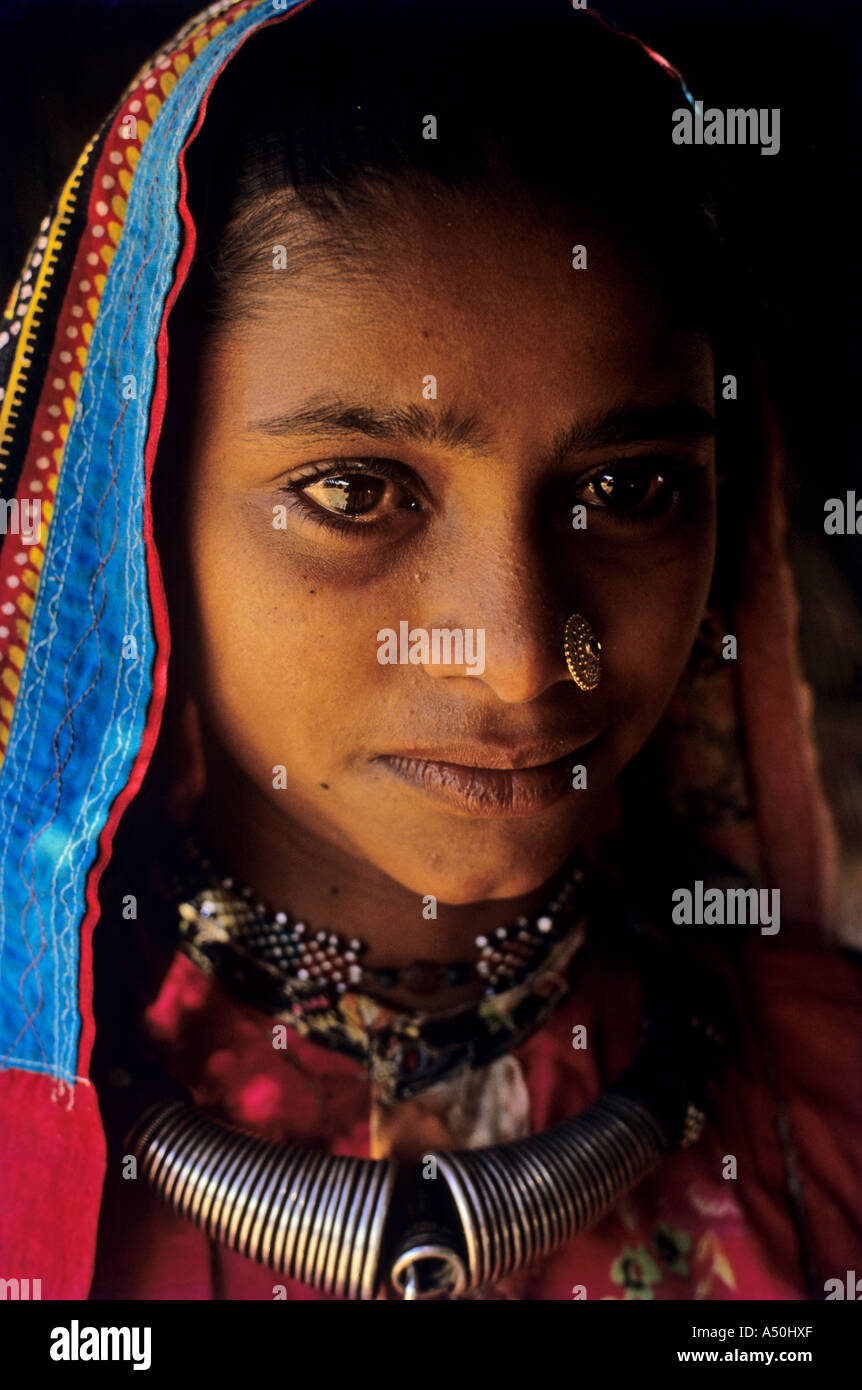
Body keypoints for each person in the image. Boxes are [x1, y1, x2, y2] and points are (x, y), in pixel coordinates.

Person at [0, 0, 859, 1302]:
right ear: (133, 516)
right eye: (353, 491)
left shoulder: (833, 1106)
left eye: (628, 490)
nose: (520, 659)